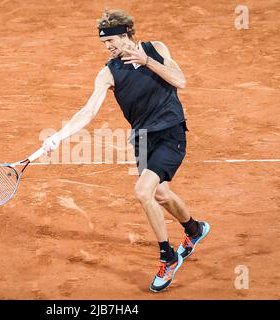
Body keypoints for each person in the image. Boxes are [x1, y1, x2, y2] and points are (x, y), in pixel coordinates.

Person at [42, 9, 210, 292]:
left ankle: (167, 258)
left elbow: (179, 80)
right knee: (160, 193)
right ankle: (195, 229)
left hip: (171, 132)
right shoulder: (109, 73)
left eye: (111, 41)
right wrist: (58, 136)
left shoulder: (155, 48)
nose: (107, 47)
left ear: (126, 36)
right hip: (143, 139)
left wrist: (147, 62)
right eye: (104, 43)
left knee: (143, 191)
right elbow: (88, 111)